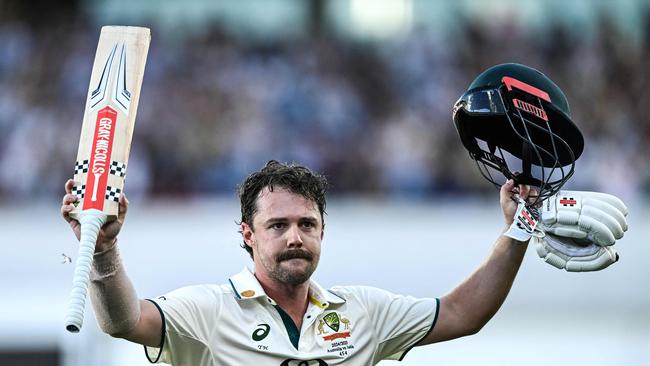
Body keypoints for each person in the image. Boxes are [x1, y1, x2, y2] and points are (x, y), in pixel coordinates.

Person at [61, 160, 533, 365]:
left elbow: (461, 314)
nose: (295, 237)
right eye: (277, 225)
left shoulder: (362, 311)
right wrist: (103, 250)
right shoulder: (207, 311)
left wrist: (517, 232)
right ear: (247, 235)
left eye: (307, 224)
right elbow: (124, 321)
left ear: (322, 232)